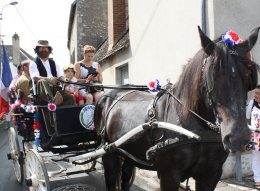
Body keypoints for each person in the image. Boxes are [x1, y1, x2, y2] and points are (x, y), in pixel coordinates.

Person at [29, 40, 75, 106]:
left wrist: (65, 80)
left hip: (54, 88)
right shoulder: (33, 63)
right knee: (42, 81)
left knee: (70, 98)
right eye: (41, 48)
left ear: (49, 50)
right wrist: (49, 79)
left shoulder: (54, 63)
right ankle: (52, 101)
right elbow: (35, 77)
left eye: (45, 48)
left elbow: (60, 76)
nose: (43, 50)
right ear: (37, 50)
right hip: (40, 90)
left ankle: (67, 114)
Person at [246, 85, 260, 189]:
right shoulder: (251, 103)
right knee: (256, 158)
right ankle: (257, 180)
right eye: (256, 93)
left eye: (259, 94)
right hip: (256, 136)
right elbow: (247, 118)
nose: (256, 95)